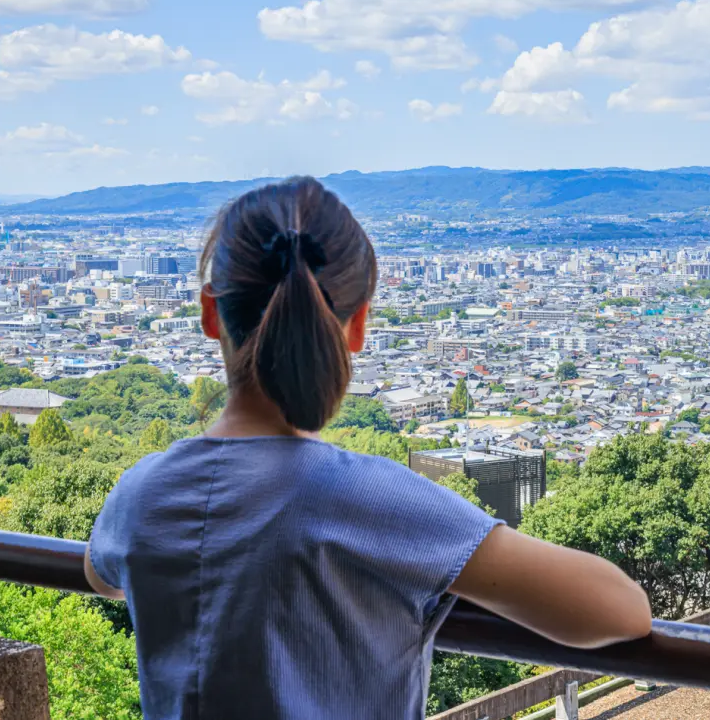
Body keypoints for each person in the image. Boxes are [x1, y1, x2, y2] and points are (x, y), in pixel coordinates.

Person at [84, 177, 652, 720]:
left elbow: (101, 573)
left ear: (211, 313)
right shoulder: (370, 497)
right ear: (356, 328)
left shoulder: (142, 492)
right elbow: (620, 610)